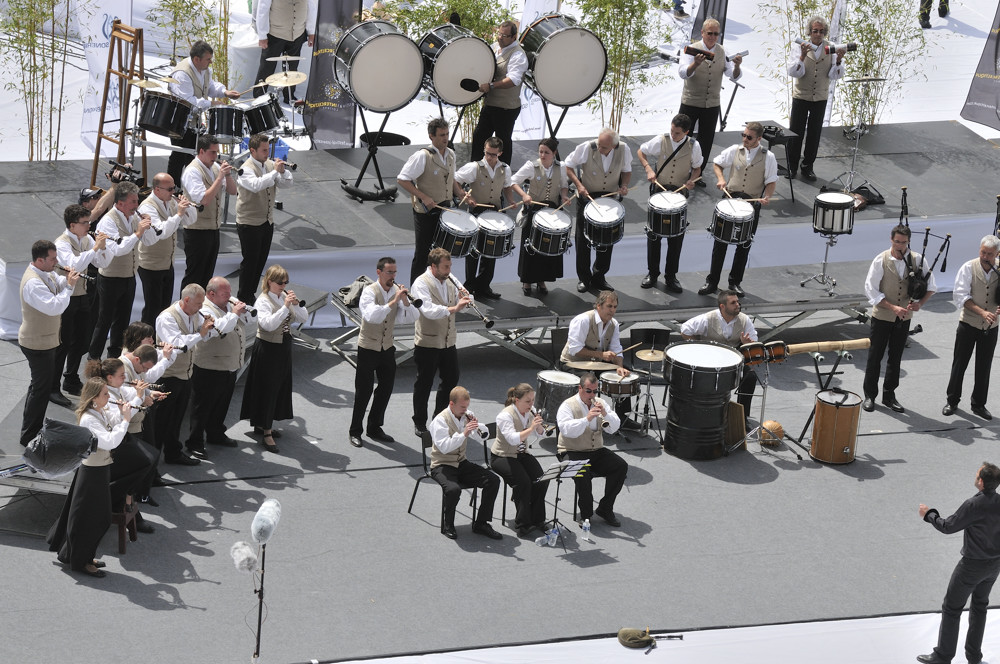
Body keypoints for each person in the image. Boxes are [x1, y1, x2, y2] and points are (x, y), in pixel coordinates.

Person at [46, 377, 130, 578]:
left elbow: (113, 424)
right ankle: (81, 561)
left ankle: (82, 555)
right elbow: (110, 442)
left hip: (99, 470)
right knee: (92, 519)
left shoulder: (99, 411)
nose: (109, 396)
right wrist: (126, 420)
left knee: (94, 518)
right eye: (105, 394)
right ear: (93, 398)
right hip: (92, 473)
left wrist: (123, 413)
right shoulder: (88, 419)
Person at [917, 462, 1000, 664]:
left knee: (952, 608)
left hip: (972, 566)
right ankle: (973, 656)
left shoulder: (973, 504)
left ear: (981, 481)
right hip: (994, 565)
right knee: (980, 606)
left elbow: (948, 526)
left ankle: (943, 656)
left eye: (977, 473)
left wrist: (929, 515)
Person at [697, 121, 778, 297]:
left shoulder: (768, 156)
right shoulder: (735, 149)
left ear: (759, 138)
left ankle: (734, 283)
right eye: (743, 135)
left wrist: (768, 196)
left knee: (744, 244)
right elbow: (717, 163)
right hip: (730, 201)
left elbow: (771, 181)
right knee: (720, 243)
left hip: (751, 205)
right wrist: (720, 179)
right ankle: (712, 281)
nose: (745, 139)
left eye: (749, 137)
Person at [862, 224, 936, 414]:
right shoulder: (881, 259)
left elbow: (931, 286)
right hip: (883, 316)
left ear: (908, 241)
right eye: (897, 242)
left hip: (904, 317)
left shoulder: (918, 259)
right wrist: (892, 307)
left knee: (895, 357)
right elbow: (871, 289)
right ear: (891, 239)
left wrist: (919, 304)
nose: (900, 246)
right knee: (875, 356)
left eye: (903, 242)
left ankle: (889, 396)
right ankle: (870, 395)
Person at [349, 257, 418, 448]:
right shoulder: (369, 292)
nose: (393, 276)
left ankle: (374, 427)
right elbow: (371, 316)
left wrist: (405, 302)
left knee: (386, 389)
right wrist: (393, 302)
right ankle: (355, 430)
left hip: (387, 348)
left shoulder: (396, 291)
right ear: (379, 273)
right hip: (368, 348)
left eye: (395, 272)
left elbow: (411, 318)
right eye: (389, 272)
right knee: (363, 391)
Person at [240, 264, 308, 454]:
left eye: (286, 282)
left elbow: (303, 318)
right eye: (280, 282)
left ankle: (263, 423)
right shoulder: (263, 301)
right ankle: (266, 431)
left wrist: (294, 305)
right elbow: (268, 325)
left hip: (283, 346)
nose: (283, 285)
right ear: (269, 282)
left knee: (278, 386)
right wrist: (285, 307)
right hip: (268, 348)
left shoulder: (283, 297)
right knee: (268, 388)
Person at [85, 358, 158, 533]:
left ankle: (128, 497)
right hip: (111, 447)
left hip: (120, 438)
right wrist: (139, 400)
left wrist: (145, 395)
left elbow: (126, 397)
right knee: (144, 462)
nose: (125, 378)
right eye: (121, 375)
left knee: (152, 456)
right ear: (109, 378)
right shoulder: (105, 397)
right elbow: (117, 422)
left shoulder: (115, 388)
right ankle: (122, 498)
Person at [19, 240, 79, 445]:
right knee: (41, 390)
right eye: (53, 259)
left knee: (38, 386)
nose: (56, 262)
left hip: (45, 340)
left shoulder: (46, 274)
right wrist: (70, 287)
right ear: (39, 260)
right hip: (37, 343)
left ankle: (30, 429)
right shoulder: (33, 282)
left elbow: (56, 285)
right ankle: (30, 435)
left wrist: (66, 279)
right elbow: (54, 307)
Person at [87, 181, 155, 360]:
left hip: (128, 277)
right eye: (133, 201)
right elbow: (117, 250)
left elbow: (149, 242)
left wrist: (148, 227)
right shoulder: (108, 221)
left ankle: (114, 360)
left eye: (137, 201)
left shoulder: (133, 218)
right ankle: (93, 360)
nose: (136, 205)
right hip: (110, 279)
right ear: (120, 203)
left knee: (122, 323)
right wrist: (138, 233)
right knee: (104, 322)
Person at [637, 113, 702, 292]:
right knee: (654, 235)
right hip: (659, 191)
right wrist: (649, 168)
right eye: (672, 131)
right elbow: (641, 151)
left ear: (687, 132)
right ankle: (652, 273)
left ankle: (671, 276)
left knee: (676, 237)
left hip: (679, 194)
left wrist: (692, 181)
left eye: (677, 133)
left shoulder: (694, 146)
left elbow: (697, 168)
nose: (673, 135)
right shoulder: (661, 140)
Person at [397, 118, 467, 285]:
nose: (446, 138)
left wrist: (460, 193)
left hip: (444, 208)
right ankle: (416, 290)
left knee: (441, 253)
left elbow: (451, 180)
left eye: (447, 134)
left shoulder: (451, 154)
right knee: (423, 253)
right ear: (431, 136)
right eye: (442, 135)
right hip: (425, 211)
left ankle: (436, 286)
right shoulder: (422, 156)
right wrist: (423, 196)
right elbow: (402, 179)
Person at [410, 248, 472, 436]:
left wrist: (466, 298)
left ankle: (439, 418)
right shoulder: (420, 283)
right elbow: (428, 311)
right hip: (427, 343)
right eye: (445, 267)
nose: (449, 270)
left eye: (450, 266)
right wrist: (454, 308)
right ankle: (419, 422)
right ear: (434, 266)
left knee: (451, 380)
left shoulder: (449, 278)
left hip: (448, 341)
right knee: (424, 383)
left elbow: (464, 299)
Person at [429, 386, 503, 540]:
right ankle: (448, 524)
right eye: (462, 407)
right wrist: (464, 433)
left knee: (493, 480)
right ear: (451, 404)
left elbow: (482, 437)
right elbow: (444, 447)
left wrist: (478, 428)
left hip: (461, 462)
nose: (465, 410)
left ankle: (481, 523)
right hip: (441, 465)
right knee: (454, 490)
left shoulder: (466, 415)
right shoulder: (440, 421)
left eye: (467, 406)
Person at [560, 291, 641, 431]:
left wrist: (619, 366)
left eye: (615, 307)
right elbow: (574, 350)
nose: (612, 310)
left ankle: (622, 418)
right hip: (573, 362)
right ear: (598, 306)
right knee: (587, 381)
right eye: (609, 306)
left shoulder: (614, 324)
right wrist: (601, 355)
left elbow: (616, 348)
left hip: (597, 362)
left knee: (624, 377)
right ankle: (584, 419)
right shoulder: (583, 320)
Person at [188, 277, 251, 455]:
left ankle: (216, 433)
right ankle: (194, 442)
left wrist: (243, 312)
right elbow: (220, 329)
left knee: (221, 403)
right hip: (210, 366)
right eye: (225, 294)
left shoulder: (228, 305)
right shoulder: (205, 310)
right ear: (211, 294)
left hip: (229, 365)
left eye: (230, 292)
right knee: (202, 407)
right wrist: (235, 313)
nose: (229, 296)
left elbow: (249, 322)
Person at [564, 128, 632, 293]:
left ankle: (599, 276)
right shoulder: (587, 147)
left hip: (609, 199)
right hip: (587, 197)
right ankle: (584, 278)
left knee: (607, 239)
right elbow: (568, 166)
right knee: (583, 240)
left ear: (614, 146)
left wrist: (624, 185)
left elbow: (626, 171)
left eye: (604, 147)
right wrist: (579, 185)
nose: (600, 149)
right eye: (599, 145)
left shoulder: (623, 149)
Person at [556, 373, 628, 527]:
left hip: (595, 450)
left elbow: (614, 428)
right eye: (589, 391)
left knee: (620, 466)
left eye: (595, 391)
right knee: (583, 472)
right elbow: (567, 430)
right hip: (571, 450)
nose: (592, 395)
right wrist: (587, 419)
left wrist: (605, 413)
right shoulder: (567, 406)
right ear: (580, 388)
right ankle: (586, 514)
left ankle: (605, 508)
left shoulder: (600, 402)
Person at [155, 283, 215, 466]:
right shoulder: (167, 318)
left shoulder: (193, 313)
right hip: (168, 377)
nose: (201, 307)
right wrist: (201, 333)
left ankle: (173, 454)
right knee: (160, 423)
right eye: (198, 303)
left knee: (176, 420)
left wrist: (207, 329)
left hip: (186, 374)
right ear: (186, 300)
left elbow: (199, 336)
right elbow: (177, 345)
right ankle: (152, 466)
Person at [53, 204, 110, 397]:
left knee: (81, 341)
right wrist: (95, 248)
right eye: (84, 223)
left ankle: (70, 378)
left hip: (82, 296)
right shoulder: (61, 243)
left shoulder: (86, 239)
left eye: (88, 222)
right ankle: (53, 386)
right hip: (66, 297)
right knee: (64, 342)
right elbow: (74, 265)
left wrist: (103, 248)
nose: (88, 225)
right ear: (72, 225)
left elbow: (102, 263)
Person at [680, 289, 759, 426]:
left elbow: (754, 343)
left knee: (750, 377)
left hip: (733, 363)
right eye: (733, 303)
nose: (737, 305)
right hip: (710, 363)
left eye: (738, 302)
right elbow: (685, 330)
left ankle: (742, 417)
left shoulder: (744, 320)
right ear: (722, 306)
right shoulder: (708, 319)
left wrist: (747, 345)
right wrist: (699, 348)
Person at [678, 17, 743, 181]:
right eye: (709, 33)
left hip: (712, 104)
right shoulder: (692, 49)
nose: (713, 37)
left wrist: (736, 66)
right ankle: (680, 171)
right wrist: (695, 64)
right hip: (691, 102)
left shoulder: (722, 51)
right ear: (702, 33)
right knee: (684, 138)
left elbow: (732, 76)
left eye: (716, 34)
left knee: (706, 141)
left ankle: (697, 175)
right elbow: (683, 73)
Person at [942, 236, 999, 420]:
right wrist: (982, 312)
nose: (985, 256)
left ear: (997, 254)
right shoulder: (968, 267)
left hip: (991, 327)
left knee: (984, 366)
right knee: (960, 364)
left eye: (990, 254)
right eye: (983, 252)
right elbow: (960, 296)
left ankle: (979, 404)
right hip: (968, 324)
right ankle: (952, 401)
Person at [167, 41, 241, 184]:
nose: (211, 62)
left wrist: (225, 92)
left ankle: (191, 186)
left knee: (193, 154)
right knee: (180, 155)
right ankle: (173, 188)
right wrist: (212, 103)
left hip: (193, 120)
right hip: (179, 120)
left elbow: (210, 86)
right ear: (196, 59)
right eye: (208, 59)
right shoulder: (182, 74)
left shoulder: (204, 69)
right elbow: (188, 101)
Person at [454, 136, 516, 299]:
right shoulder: (474, 167)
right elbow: (455, 180)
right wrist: (466, 197)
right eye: (487, 153)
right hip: (477, 211)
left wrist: (511, 200)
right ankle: (469, 285)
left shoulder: (505, 169)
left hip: (495, 211)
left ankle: (484, 286)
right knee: (474, 250)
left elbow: (507, 186)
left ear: (500, 153)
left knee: (491, 249)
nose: (489, 157)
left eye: (493, 154)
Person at [235, 133, 293, 305]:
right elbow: (257, 185)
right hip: (249, 222)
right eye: (263, 150)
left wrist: (282, 172)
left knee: (260, 260)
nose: (267, 153)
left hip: (266, 221)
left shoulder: (269, 165)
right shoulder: (245, 169)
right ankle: (243, 296)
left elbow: (287, 184)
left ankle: (251, 293)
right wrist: (275, 172)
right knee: (250, 261)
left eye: (268, 149)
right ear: (252, 150)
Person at [786, 16, 846, 182]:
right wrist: (802, 57)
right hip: (802, 95)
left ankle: (808, 167)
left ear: (824, 32)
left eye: (821, 31)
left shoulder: (831, 48)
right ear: (810, 32)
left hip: (820, 96)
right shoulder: (800, 46)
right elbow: (793, 72)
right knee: (795, 132)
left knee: (814, 133)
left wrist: (839, 61)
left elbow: (835, 75)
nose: (818, 34)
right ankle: (791, 166)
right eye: (815, 31)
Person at [509, 137, 571, 296]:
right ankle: (527, 280)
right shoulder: (532, 166)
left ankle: (541, 279)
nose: (542, 155)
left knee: (548, 246)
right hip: (534, 210)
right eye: (541, 152)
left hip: (552, 211)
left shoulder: (561, 167)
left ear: (554, 153)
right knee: (530, 247)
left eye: (546, 152)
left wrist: (564, 196)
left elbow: (564, 185)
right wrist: (523, 195)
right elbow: (513, 181)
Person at [137, 172, 197, 325]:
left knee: (164, 308)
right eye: (170, 189)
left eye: (174, 188)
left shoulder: (170, 201)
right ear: (157, 190)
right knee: (153, 308)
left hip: (167, 263)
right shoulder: (147, 207)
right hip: (151, 265)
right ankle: (146, 342)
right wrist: (178, 214)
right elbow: (162, 232)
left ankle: (160, 340)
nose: (173, 192)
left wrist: (187, 206)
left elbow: (191, 220)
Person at [491, 383, 550, 537]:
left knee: (542, 479)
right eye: (528, 401)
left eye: (532, 401)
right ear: (517, 400)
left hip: (521, 454)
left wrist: (539, 428)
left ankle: (537, 519)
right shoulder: (505, 415)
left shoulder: (529, 412)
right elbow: (512, 439)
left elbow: (542, 435)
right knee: (523, 482)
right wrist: (530, 428)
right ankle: (523, 524)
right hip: (502, 455)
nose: (531, 405)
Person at [181, 136, 238, 289]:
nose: (216, 157)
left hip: (213, 229)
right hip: (196, 231)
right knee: (194, 277)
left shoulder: (214, 168)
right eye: (212, 153)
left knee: (206, 275)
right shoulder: (192, 171)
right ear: (201, 151)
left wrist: (227, 175)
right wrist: (219, 178)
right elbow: (204, 200)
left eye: (217, 153)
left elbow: (233, 191)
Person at [469, 20, 527, 167]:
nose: (500, 38)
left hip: (506, 107)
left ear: (514, 37)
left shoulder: (518, 55)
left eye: (505, 35)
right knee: (480, 136)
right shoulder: (496, 47)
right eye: (499, 34)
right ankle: (475, 171)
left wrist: (491, 86)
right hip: (491, 104)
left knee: (502, 142)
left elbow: (513, 80)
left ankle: (503, 176)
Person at [252, 0, 317, 102]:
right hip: (275, 34)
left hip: (298, 33)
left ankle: (289, 96)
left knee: (292, 67)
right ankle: (258, 97)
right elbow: (262, 9)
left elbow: (311, 7)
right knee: (267, 68)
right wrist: (262, 35)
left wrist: (311, 32)